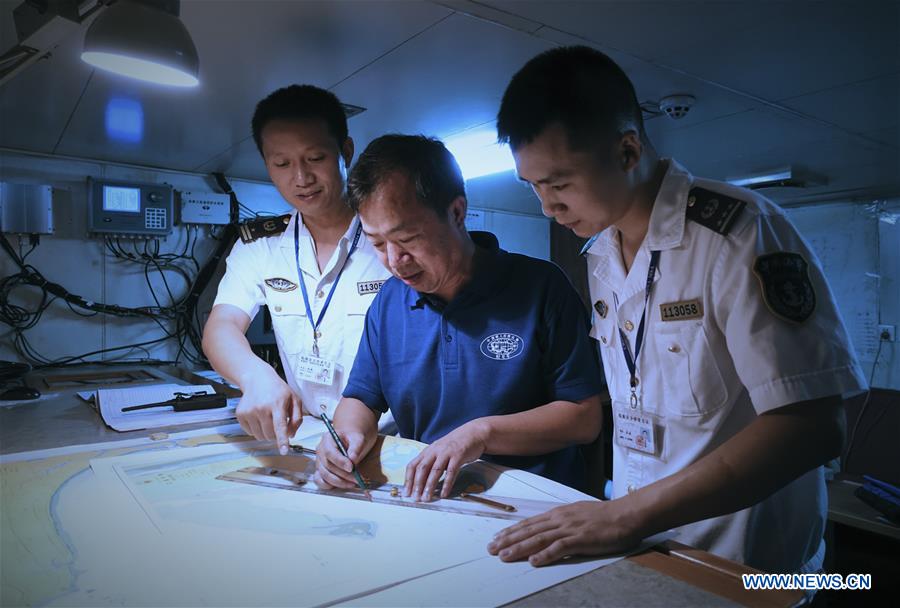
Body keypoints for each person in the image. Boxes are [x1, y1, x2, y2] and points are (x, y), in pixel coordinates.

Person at [487, 46, 866, 575]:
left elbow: (814, 426)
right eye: (532, 187)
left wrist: (626, 516)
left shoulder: (738, 233)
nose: (547, 207)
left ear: (626, 151)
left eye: (560, 183)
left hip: (747, 569)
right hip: (645, 547)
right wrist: (621, 519)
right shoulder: (600, 254)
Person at [313, 134, 604, 500]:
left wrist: (479, 434)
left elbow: (584, 418)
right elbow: (362, 398)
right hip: (430, 499)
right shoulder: (389, 301)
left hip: (533, 503)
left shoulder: (541, 288)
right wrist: (344, 437)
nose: (394, 259)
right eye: (376, 243)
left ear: (456, 212)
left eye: (407, 239)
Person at [202, 85, 391, 456]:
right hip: (307, 437)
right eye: (282, 164)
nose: (301, 177)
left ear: (345, 152)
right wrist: (256, 376)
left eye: (315, 158)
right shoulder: (260, 246)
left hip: (389, 440)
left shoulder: (389, 238)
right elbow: (220, 327)